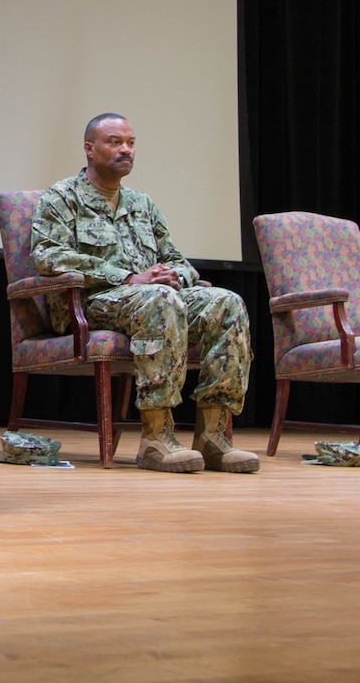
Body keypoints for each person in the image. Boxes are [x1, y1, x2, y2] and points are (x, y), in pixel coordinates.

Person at [30, 113, 258, 473]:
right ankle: (156, 437)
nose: (126, 150)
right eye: (115, 142)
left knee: (226, 303)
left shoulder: (143, 204)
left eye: (131, 143)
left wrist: (173, 275)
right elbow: (48, 256)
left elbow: (177, 259)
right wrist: (129, 277)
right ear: (89, 148)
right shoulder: (61, 198)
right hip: (94, 303)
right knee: (160, 300)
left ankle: (214, 436)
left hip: (151, 300)